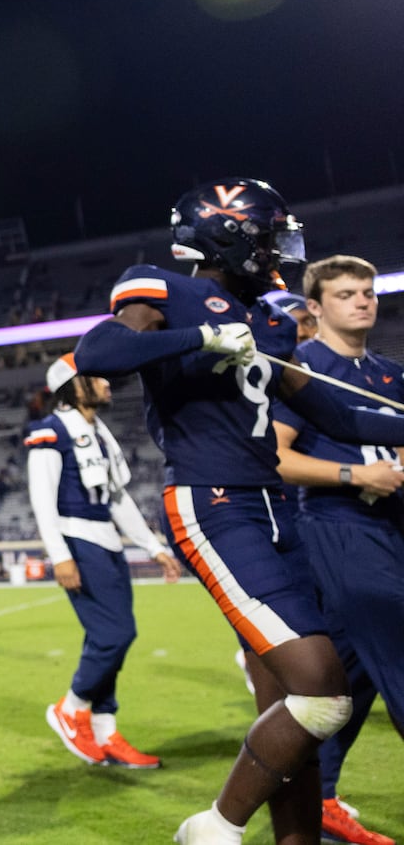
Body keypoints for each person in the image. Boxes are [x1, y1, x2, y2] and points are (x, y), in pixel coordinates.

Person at [71, 178, 404, 845]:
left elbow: (332, 409)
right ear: (233, 233)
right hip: (212, 500)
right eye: (270, 233)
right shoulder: (163, 286)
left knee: (288, 706)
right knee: (324, 691)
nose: (281, 247)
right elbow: (97, 352)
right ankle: (215, 825)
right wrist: (199, 336)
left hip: (279, 510)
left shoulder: (274, 319)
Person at [269, 255, 401, 845]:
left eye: (368, 292)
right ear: (316, 307)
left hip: (393, 528)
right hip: (337, 525)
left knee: (344, 684)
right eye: (347, 293)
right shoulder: (301, 370)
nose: (363, 301)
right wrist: (354, 476)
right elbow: (275, 456)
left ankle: (313, 802)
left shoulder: (392, 373)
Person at [28, 353, 183, 769]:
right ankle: (71, 707)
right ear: (74, 385)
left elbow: (117, 499)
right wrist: (60, 556)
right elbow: (42, 501)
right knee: (115, 634)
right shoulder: (51, 431)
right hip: (78, 541)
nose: (108, 383)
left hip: (106, 543)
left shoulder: (98, 432)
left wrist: (154, 548)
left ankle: (105, 732)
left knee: (107, 639)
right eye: (97, 378)